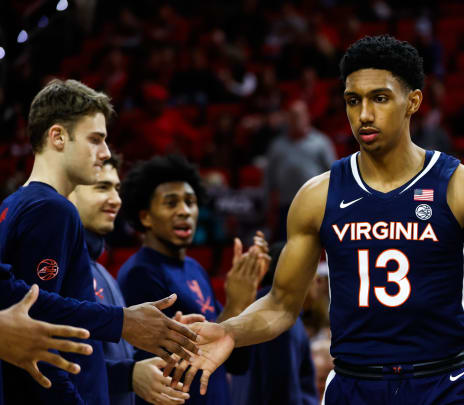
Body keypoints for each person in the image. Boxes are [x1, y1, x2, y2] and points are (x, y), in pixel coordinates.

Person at [174, 35, 464, 405]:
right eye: (353, 101)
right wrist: (228, 332)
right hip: (356, 384)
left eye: (380, 98)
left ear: (413, 102)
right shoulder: (317, 195)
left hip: (443, 383)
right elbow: (281, 304)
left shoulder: (461, 185)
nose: (364, 115)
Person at [0, 79, 200, 405]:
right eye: (96, 140)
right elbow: (41, 338)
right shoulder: (53, 209)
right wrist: (123, 322)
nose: (105, 152)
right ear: (58, 137)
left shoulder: (12, 205)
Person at [117, 154, 270, 405]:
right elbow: (166, 369)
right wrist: (234, 305)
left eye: (190, 202)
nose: (184, 211)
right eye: (171, 203)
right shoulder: (139, 274)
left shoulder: (195, 268)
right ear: (145, 217)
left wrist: (243, 303)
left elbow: (236, 363)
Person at [68, 156, 193, 405]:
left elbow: (115, 355)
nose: (116, 200)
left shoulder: (103, 274)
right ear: (68, 192)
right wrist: (128, 375)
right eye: (102, 187)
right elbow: (53, 361)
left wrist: (166, 339)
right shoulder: (63, 268)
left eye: (116, 189)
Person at [229, 241, 317, 405]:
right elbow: (281, 388)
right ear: (300, 275)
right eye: (313, 272)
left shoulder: (255, 307)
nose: (316, 282)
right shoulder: (279, 318)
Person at [265, 98, 336, 241]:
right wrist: (267, 208)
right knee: (288, 250)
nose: (296, 119)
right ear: (287, 119)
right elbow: (268, 180)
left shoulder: (320, 142)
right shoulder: (277, 146)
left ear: (307, 117)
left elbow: (335, 176)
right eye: (292, 115)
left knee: (318, 248)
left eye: (299, 115)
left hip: (316, 207)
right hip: (287, 207)